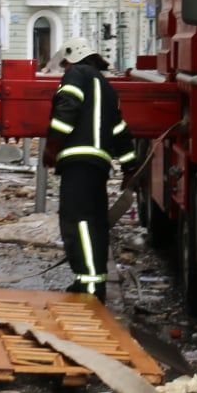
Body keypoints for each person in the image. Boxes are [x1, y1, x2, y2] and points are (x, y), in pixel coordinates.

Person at [44, 37, 137, 298]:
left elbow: (67, 108)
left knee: (78, 222)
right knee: (95, 223)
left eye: (65, 64)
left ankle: (90, 285)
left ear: (73, 57)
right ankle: (94, 280)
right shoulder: (106, 86)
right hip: (98, 165)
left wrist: (52, 145)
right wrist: (130, 167)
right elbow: (120, 131)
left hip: (78, 162)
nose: (64, 69)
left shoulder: (76, 74)